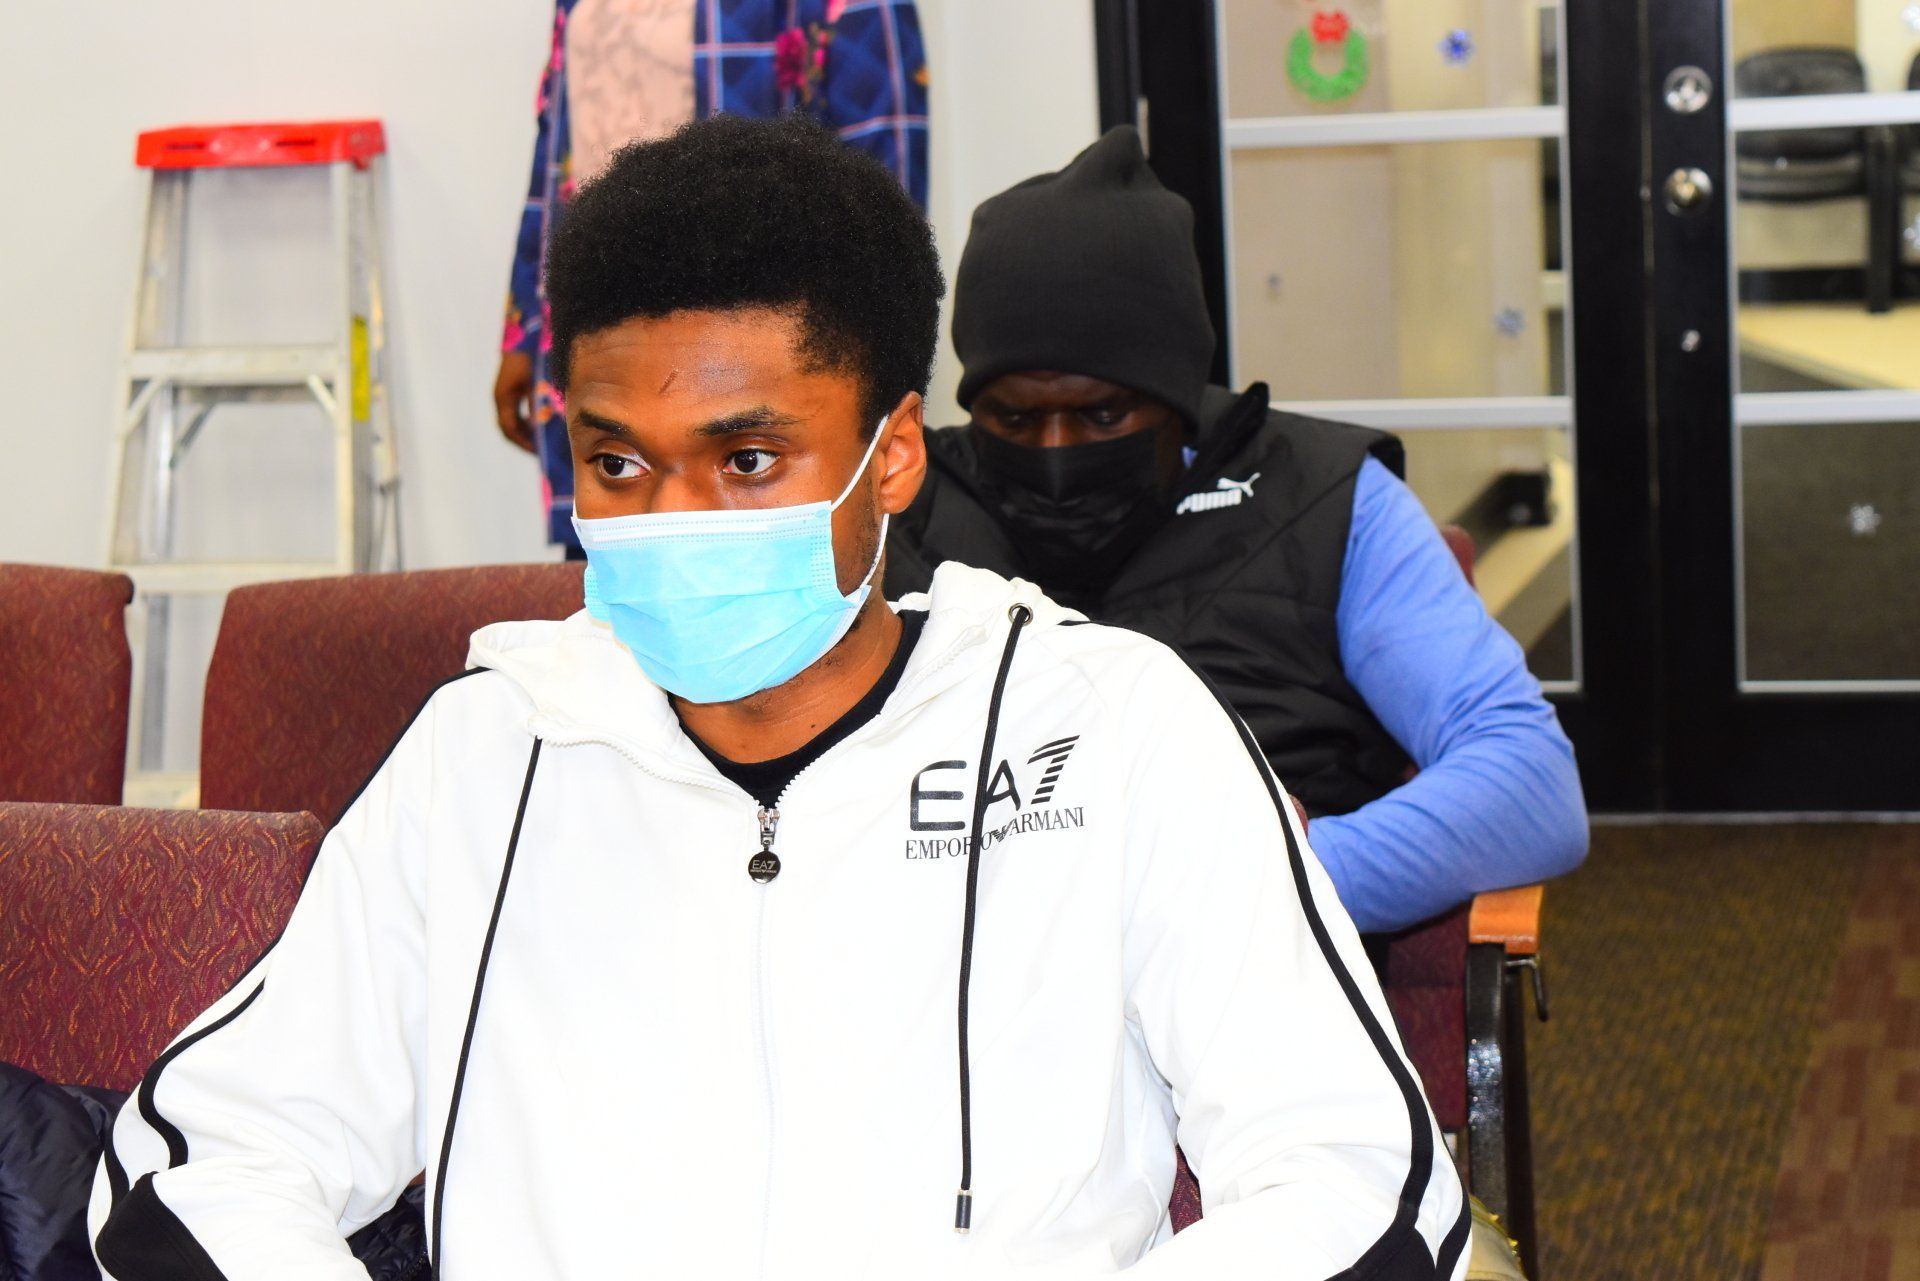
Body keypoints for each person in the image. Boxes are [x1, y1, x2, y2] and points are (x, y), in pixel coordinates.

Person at [91, 117, 1468, 1279]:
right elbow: (204, 1160)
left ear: (893, 458)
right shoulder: (495, 748)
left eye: (746, 462)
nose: (670, 518)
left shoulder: (1107, 729)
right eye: (618, 465)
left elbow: (1355, 1177)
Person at [886, 127, 1588, 935]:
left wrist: (1265, 877)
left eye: (1102, 415)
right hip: (960, 970)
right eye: (1013, 418)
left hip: (1250, 964)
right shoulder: (901, 508)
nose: (1056, 451)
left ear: (1177, 397)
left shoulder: (1324, 496)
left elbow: (1531, 785)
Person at [494, 0, 931, 559]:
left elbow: (884, 184)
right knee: (624, 546)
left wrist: (875, 351)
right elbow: (554, 156)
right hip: (611, 341)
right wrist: (525, 328)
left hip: (755, 353)